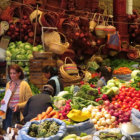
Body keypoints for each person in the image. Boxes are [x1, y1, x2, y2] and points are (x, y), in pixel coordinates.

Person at [1, 64, 32, 130]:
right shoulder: (8, 84)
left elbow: (30, 101)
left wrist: (19, 105)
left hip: (19, 114)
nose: (12, 75)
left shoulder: (24, 85)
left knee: (16, 133)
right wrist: (4, 101)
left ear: (19, 73)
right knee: (7, 133)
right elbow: (6, 97)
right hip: (8, 113)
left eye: (14, 73)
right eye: (10, 73)